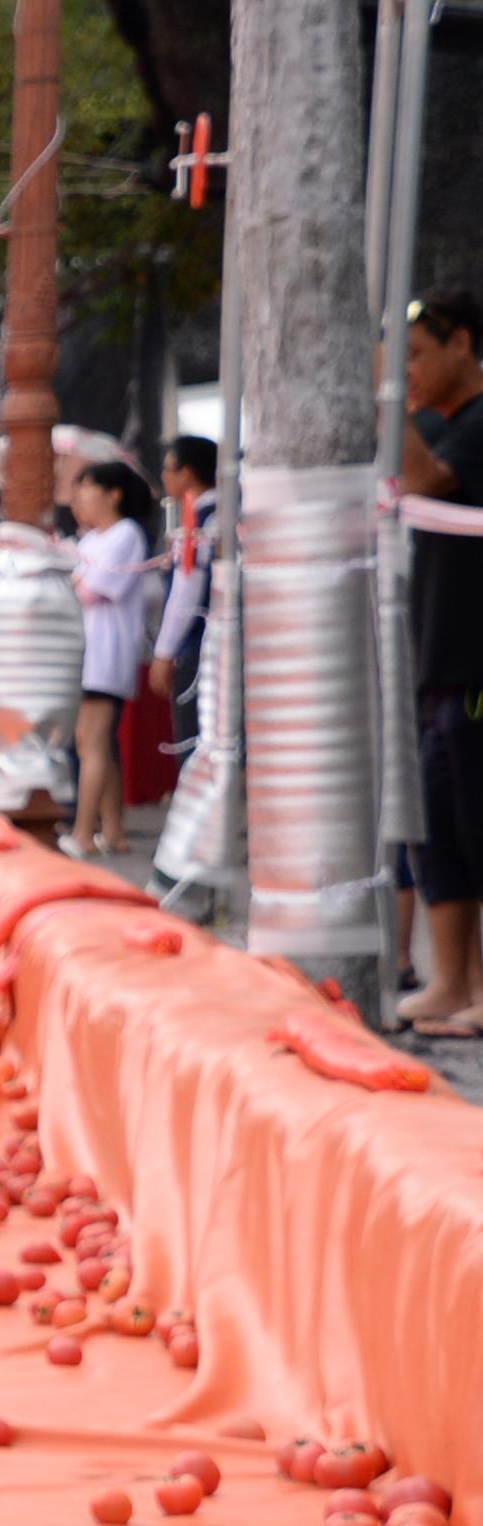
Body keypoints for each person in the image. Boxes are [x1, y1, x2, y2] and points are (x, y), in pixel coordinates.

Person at [400, 291, 483, 1034]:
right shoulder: (437, 427)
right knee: (439, 830)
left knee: (478, 821)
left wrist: (382, 402)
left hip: (477, 665)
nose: (408, 372)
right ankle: (451, 981)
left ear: (463, 343)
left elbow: (423, 482)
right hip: (436, 660)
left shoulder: (479, 424)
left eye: (418, 354)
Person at [66, 461, 154, 860]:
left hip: (107, 653)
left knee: (92, 741)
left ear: (113, 493)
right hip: (84, 653)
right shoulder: (87, 542)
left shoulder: (126, 535)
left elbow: (89, 591)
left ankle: (84, 832)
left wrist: (75, 578)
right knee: (98, 742)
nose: (81, 497)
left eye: (88, 487)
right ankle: (114, 831)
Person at [144, 437, 216, 753]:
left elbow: (185, 594)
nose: (164, 476)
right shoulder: (215, 514)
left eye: (168, 469)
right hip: (217, 641)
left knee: (194, 737)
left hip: (200, 643)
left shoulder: (202, 522)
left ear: (187, 473)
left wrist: (164, 652)